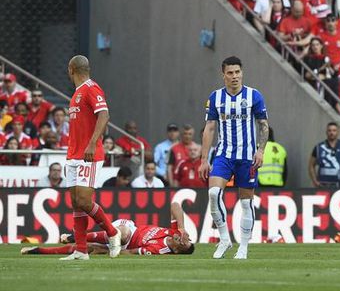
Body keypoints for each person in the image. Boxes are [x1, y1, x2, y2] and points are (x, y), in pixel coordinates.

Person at [198, 56, 269, 260]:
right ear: (224, 75)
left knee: (246, 203)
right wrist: (204, 159)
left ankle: (244, 246)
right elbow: (210, 128)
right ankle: (224, 239)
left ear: (242, 72)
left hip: (247, 157)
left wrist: (261, 150)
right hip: (224, 154)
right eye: (230, 73)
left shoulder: (254, 96)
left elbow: (263, 124)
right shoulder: (215, 97)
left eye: (237, 72)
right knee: (213, 193)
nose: (235, 76)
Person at [61, 55, 121, 261]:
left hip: (89, 155)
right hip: (73, 155)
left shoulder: (91, 88)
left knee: (85, 201)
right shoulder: (77, 93)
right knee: (77, 202)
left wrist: (92, 143)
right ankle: (80, 250)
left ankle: (112, 233)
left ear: (71, 70)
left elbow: (104, 115)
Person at [21, 201, 194, 256]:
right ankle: (77, 236)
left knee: (84, 250)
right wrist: (181, 226)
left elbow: (132, 253)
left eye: (184, 244)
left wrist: (110, 250)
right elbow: (175, 205)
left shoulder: (160, 250)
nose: (184, 239)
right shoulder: (174, 232)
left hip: (123, 246)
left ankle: (37, 250)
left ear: (177, 251)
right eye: (188, 239)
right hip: (128, 228)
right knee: (123, 234)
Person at [309, 122, 340, 188]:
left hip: (338, 185)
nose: (331, 133)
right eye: (329, 130)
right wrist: (315, 181)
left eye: (334, 130)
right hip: (322, 185)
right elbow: (311, 165)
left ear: (338, 132)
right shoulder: (319, 147)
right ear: (326, 132)